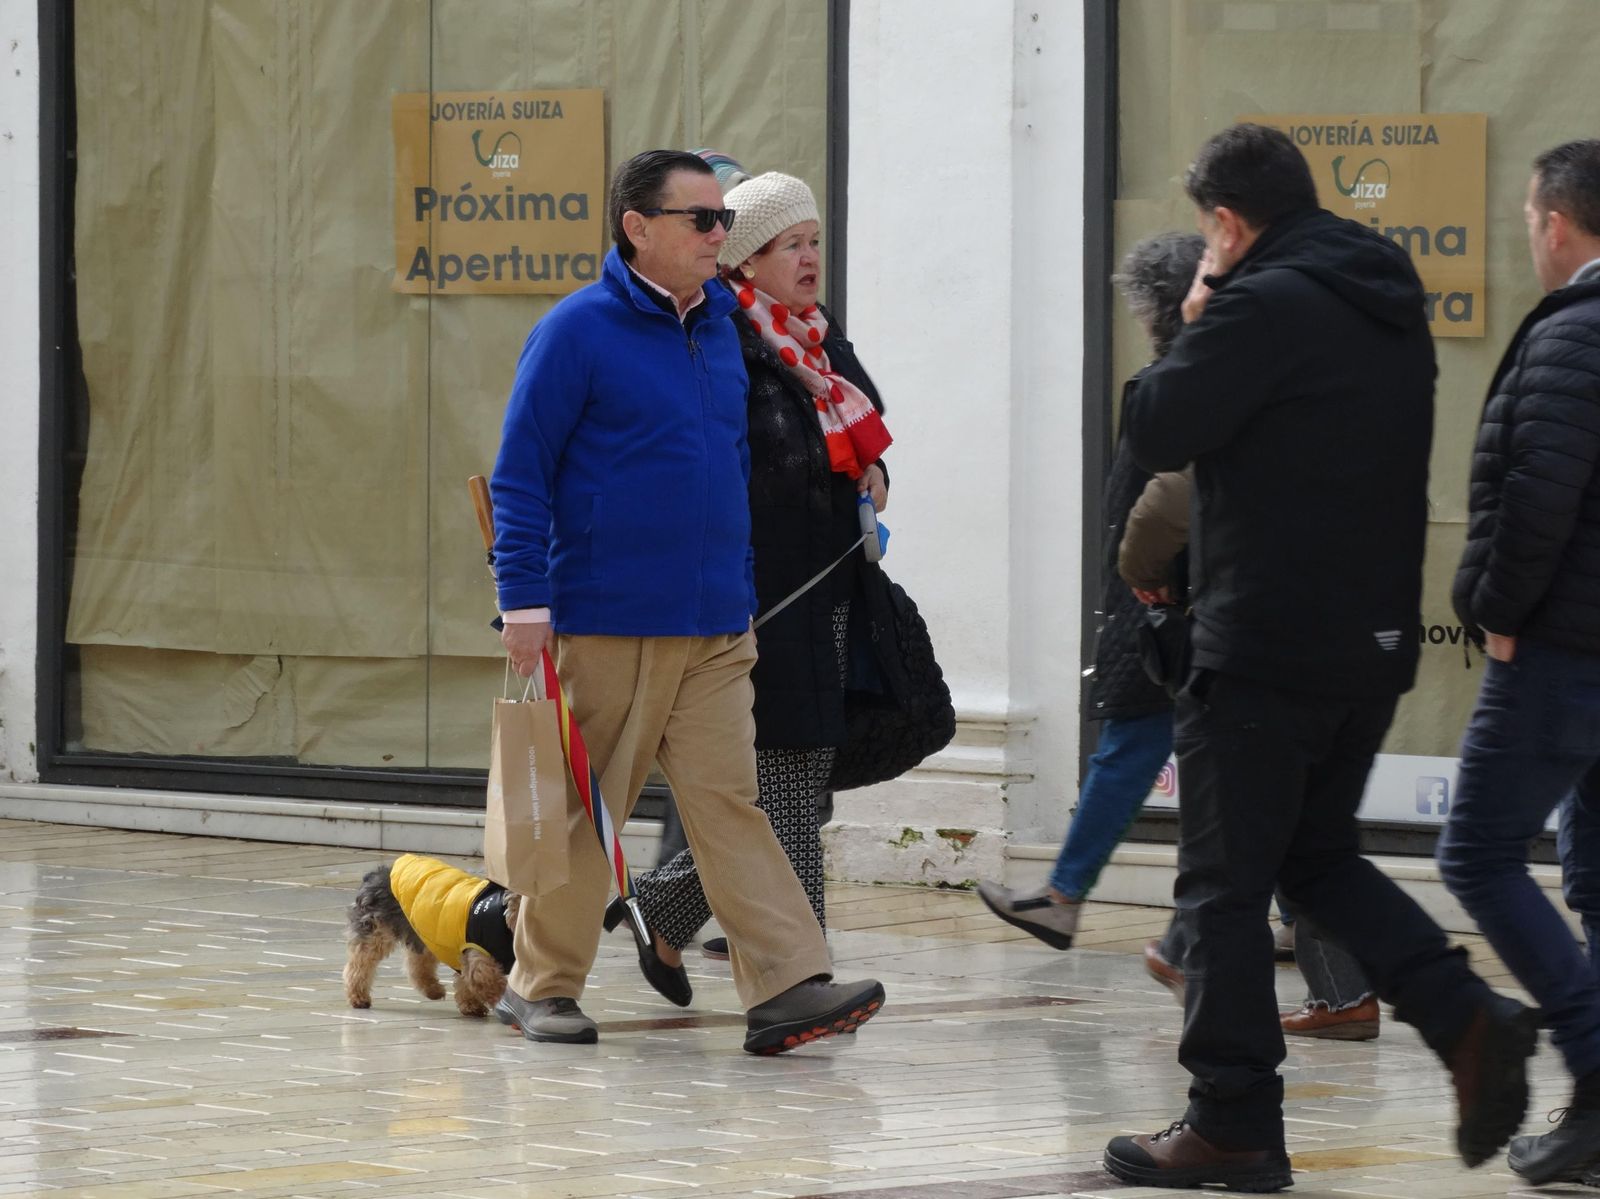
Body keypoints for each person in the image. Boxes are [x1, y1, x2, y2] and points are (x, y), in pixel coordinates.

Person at [1101, 123, 1536, 1193]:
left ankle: (1231, 1121)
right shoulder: (1380, 289)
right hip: (1366, 638)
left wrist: (1198, 310)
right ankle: (1464, 1015)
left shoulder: (1256, 303)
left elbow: (1155, 424)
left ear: (1226, 222)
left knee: (1219, 887)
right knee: (1317, 858)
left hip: (1261, 638)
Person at [488, 148, 885, 1055]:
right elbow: (522, 475)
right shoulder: (577, 329)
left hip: (716, 621)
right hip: (607, 618)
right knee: (590, 813)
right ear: (638, 228)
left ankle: (786, 985)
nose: (721, 235)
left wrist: (742, 586)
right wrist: (524, 600)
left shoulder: (719, 331)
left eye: (723, 220)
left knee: (730, 808)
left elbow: (734, 467)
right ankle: (539, 984)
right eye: (702, 220)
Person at [609, 164, 892, 970]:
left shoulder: (818, 333)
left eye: (813, 242)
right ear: (744, 260)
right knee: (786, 779)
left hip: (828, 590)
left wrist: (873, 473)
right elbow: (737, 461)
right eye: (788, 246)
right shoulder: (727, 338)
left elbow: (865, 423)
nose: (808, 259)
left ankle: (665, 913)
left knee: (790, 777)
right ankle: (801, 972)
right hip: (757, 593)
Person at [1438, 137, 1600, 1187]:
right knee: (1590, 870)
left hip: (1560, 644)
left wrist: (1494, 609)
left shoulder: (1574, 333)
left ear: (1553, 222)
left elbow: (1538, 488)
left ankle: (1593, 1057)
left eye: (1524, 222)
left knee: (1477, 851)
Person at [975, 233, 1201, 948]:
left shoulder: (1172, 385)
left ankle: (1063, 895)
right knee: (1226, 766)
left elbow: (1165, 504)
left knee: (1133, 745)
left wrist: (1143, 582)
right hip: (1182, 605)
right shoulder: (1195, 380)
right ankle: (1293, 918)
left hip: (1162, 606)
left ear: (1156, 307)